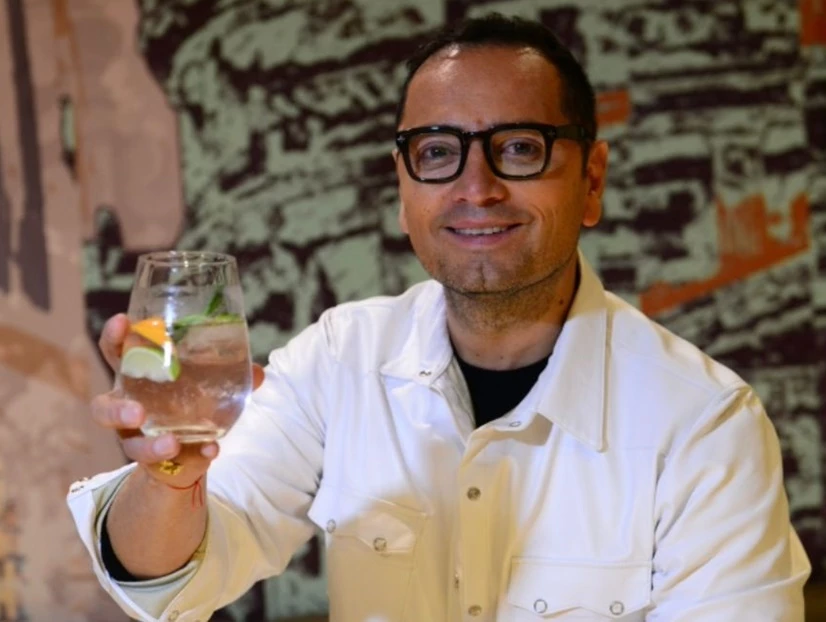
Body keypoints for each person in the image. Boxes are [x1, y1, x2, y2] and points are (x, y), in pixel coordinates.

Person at [68, 13, 810, 622]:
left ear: (591, 181)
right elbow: (177, 578)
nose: (475, 187)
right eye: (437, 152)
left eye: (519, 148)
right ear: (404, 189)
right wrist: (169, 478)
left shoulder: (705, 425)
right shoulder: (338, 359)